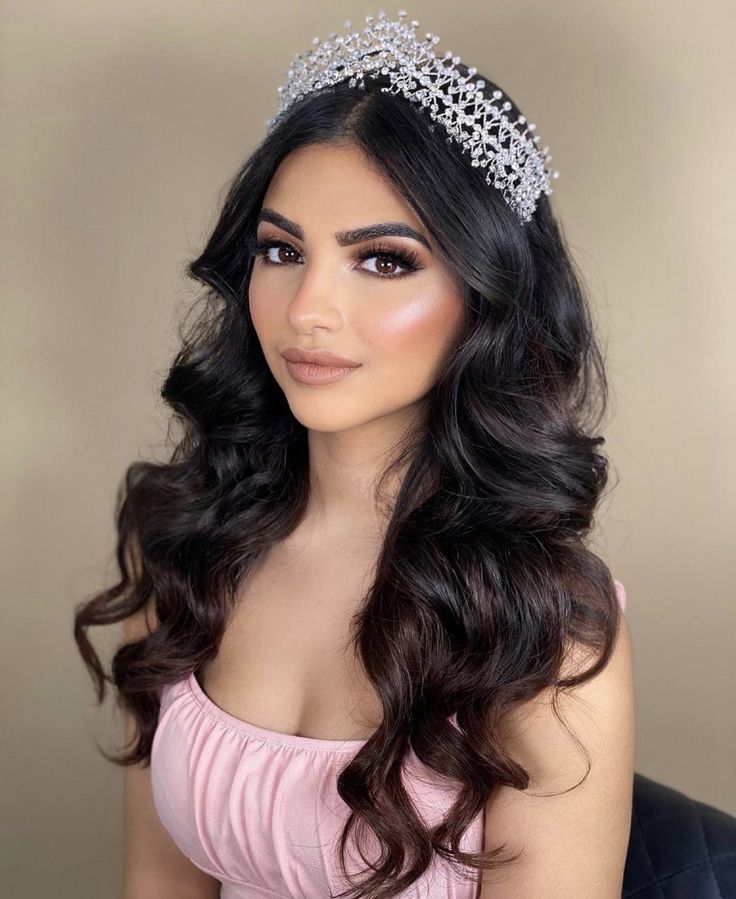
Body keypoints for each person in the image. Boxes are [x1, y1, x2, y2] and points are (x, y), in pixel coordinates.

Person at [74, 11, 634, 899]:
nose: (306, 309)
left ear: (484, 296)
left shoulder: (542, 622)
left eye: (382, 260)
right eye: (281, 250)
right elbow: (159, 883)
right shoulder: (184, 539)